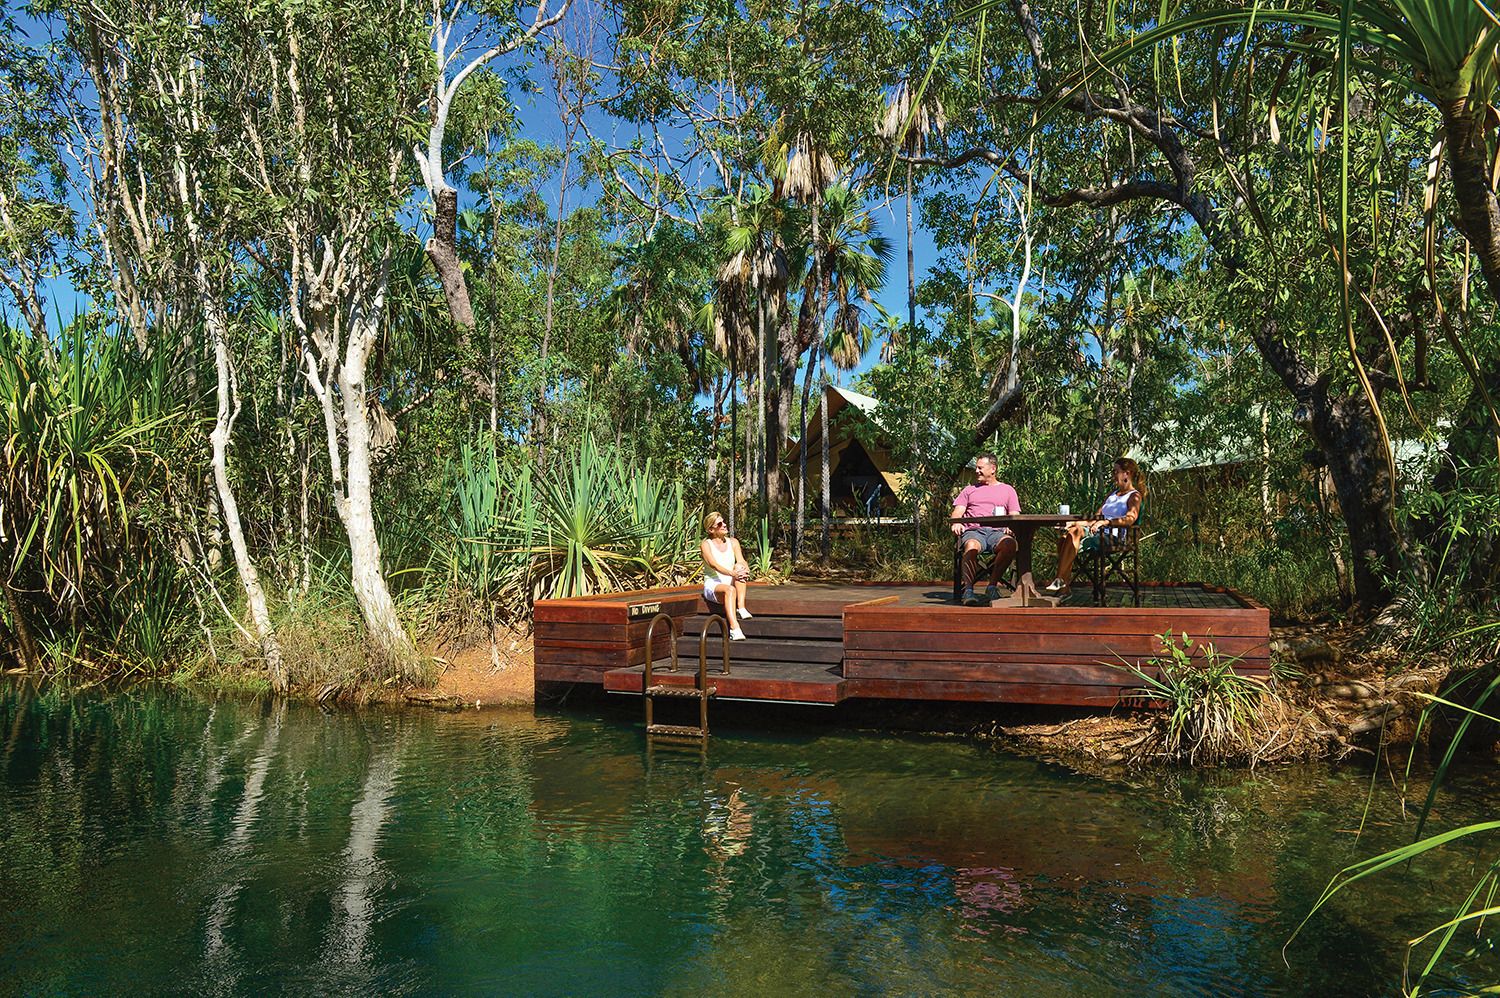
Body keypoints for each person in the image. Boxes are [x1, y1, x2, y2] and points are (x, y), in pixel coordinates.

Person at [1046, 457, 1145, 594]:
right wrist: (1072, 523)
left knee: (1069, 538)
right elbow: (1095, 519)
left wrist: (1107, 522)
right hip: (1097, 532)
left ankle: (1061, 582)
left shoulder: (1134, 496)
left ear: (1126, 473)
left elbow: (1130, 519)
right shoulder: (1112, 495)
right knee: (1067, 535)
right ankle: (1063, 584)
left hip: (1114, 537)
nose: (1113, 475)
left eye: (1116, 471)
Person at [950, 454, 1021, 606]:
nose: (976, 471)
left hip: (998, 533)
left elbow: (1015, 514)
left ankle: (992, 586)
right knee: (971, 546)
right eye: (976, 467)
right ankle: (968, 591)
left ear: (993, 469)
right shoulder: (969, 490)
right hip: (974, 531)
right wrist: (956, 522)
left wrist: (1011, 526)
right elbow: (957, 512)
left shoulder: (1008, 490)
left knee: (1010, 544)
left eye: (980, 468)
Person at [700, 511, 751, 639]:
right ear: (711, 529)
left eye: (724, 522)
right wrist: (732, 573)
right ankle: (735, 628)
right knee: (730, 589)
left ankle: (741, 607)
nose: (724, 525)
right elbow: (714, 565)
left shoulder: (733, 542)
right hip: (714, 584)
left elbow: (740, 559)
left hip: (731, 580)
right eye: (720, 524)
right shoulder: (706, 545)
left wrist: (744, 568)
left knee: (739, 567)